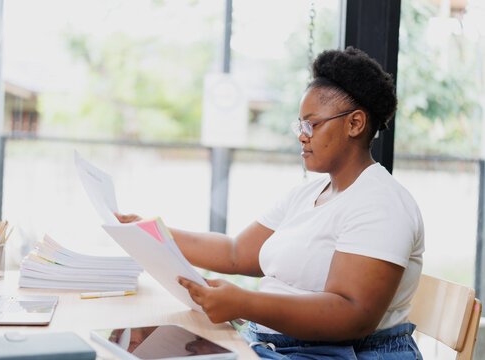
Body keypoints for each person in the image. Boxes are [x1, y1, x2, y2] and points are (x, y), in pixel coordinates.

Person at [116, 46, 425, 360]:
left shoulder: (381, 203)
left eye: (312, 124)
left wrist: (243, 303)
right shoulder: (308, 194)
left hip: (337, 354)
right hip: (273, 345)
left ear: (355, 124)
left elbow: (352, 314)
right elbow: (236, 253)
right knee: (140, 341)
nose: (302, 136)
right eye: (300, 126)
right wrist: (150, 232)